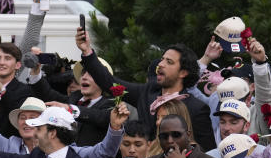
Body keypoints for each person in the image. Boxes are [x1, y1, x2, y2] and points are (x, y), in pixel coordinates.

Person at [77, 27, 217, 151]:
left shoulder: (197, 108)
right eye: (162, 59)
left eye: (169, 62)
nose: (161, 64)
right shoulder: (146, 93)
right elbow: (109, 83)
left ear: (183, 73)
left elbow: (207, 151)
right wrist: (87, 52)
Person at [29, 56, 116, 147]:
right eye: (83, 73)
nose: (84, 77)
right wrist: (35, 71)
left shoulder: (111, 105)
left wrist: (69, 109)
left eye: (91, 74)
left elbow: (97, 116)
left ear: (103, 81)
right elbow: (47, 94)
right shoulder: (74, 98)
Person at [0, 43, 33, 138]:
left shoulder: (24, 90)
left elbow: (17, 115)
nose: (1, 62)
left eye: (7, 58)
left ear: (17, 65)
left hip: (9, 148)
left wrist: (1, 89)